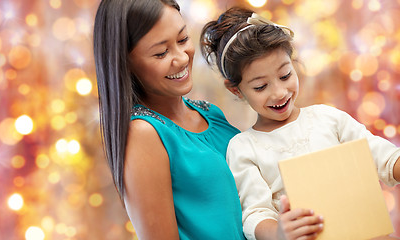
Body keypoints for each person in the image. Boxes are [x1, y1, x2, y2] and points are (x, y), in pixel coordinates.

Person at [200, 6, 400, 240]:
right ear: (236, 89)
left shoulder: (328, 118)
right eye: (260, 87)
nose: (279, 93)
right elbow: (255, 214)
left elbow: (383, 157)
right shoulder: (244, 147)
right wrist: (278, 232)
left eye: (285, 75)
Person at [93, 0, 246, 239]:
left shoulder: (211, 113)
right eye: (161, 52)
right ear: (126, 63)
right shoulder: (144, 134)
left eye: (183, 39)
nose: (182, 58)